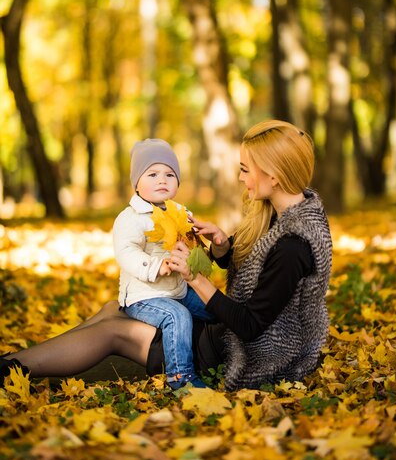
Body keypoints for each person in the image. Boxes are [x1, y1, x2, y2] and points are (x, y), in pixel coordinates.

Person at [0, 120, 332, 392]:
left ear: (272, 176)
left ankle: (11, 369)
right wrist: (221, 246)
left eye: (246, 170)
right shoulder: (282, 211)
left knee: (113, 332)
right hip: (224, 329)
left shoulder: (294, 245)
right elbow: (259, 271)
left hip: (241, 352)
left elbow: (251, 326)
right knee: (113, 309)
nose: (241, 178)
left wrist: (194, 278)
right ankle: (14, 362)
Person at [113, 138, 212, 389]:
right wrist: (158, 266)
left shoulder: (179, 212)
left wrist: (196, 247)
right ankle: (181, 378)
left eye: (170, 174)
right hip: (144, 296)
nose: (162, 180)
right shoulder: (131, 218)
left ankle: (229, 349)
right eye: (152, 174)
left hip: (177, 289)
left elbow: (191, 243)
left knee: (213, 307)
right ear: (136, 183)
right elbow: (126, 252)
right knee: (176, 315)